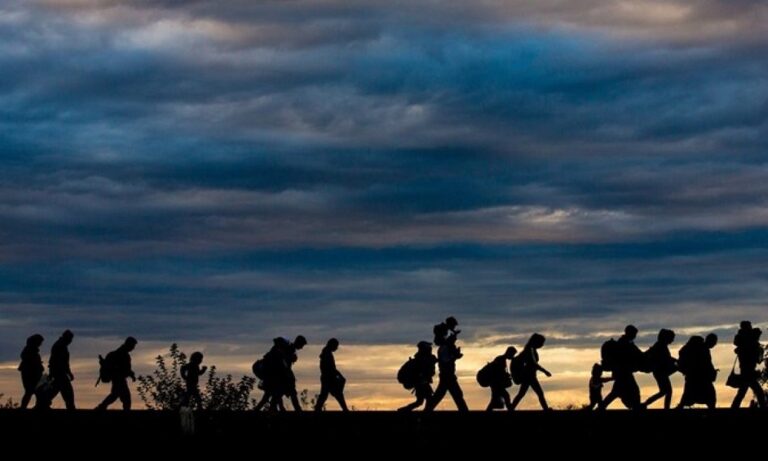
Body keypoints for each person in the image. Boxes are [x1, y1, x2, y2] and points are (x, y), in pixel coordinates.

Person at [600, 325, 643, 410]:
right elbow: (634, 354)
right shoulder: (624, 343)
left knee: (617, 392)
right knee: (632, 390)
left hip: (621, 372)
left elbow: (638, 353)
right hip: (623, 372)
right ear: (629, 333)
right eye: (634, 334)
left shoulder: (627, 342)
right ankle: (636, 406)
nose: (635, 336)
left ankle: (635, 406)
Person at [425, 329, 469, 412]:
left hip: (446, 375)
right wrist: (455, 357)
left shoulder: (443, 347)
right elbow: (446, 361)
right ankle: (465, 412)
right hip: (448, 376)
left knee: (442, 395)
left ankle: (427, 411)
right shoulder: (444, 348)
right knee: (456, 395)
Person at [510, 333, 551, 410]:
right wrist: (545, 371)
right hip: (529, 376)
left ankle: (511, 408)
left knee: (522, 394)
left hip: (529, 375)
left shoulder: (530, 349)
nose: (542, 345)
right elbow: (533, 364)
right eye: (541, 342)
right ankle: (546, 409)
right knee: (539, 393)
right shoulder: (530, 350)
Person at [96, 337, 138, 411]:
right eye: (133, 346)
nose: (133, 348)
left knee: (116, 395)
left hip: (117, 378)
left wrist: (131, 374)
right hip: (119, 378)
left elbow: (126, 369)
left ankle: (101, 407)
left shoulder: (121, 353)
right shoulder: (123, 354)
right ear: (129, 344)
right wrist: (131, 374)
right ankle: (101, 407)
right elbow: (124, 368)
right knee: (124, 398)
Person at [677, 334, 718, 409]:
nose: (714, 344)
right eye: (714, 342)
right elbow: (706, 363)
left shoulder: (698, 347)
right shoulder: (704, 349)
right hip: (701, 377)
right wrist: (712, 372)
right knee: (711, 396)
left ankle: (680, 407)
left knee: (688, 394)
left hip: (692, 376)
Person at [731, 324, 766, 408]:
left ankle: (734, 408)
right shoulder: (750, 345)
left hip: (745, 371)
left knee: (742, 393)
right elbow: (758, 360)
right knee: (758, 392)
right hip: (749, 371)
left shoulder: (743, 344)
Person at [642, 329, 677, 409]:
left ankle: (645, 404)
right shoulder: (660, 346)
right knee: (667, 391)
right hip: (660, 371)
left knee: (664, 391)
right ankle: (665, 408)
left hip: (660, 371)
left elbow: (667, 358)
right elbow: (666, 358)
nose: (672, 340)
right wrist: (675, 361)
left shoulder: (660, 345)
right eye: (671, 338)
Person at [398, 341, 437, 411]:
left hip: (420, 383)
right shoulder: (423, 359)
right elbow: (427, 371)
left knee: (420, 401)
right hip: (421, 383)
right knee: (428, 399)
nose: (430, 349)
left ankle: (404, 410)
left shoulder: (421, 358)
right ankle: (426, 413)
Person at [314, 338, 348, 411]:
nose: (336, 348)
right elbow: (331, 368)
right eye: (336, 346)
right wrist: (340, 376)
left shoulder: (326, 352)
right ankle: (345, 409)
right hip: (328, 378)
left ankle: (317, 409)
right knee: (336, 394)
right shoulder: (327, 354)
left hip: (328, 377)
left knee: (328, 395)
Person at [48, 330, 76, 410]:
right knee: (68, 393)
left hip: (57, 372)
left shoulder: (60, 344)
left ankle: (42, 404)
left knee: (54, 390)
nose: (71, 341)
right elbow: (63, 362)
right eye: (70, 339)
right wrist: (69, 373)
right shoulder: (61, 346)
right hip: (59, 373)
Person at [485, 346, 516, 411]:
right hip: (496, 383)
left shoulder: (501, 359)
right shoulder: (501, 359)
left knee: (495, 399)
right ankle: (510, 410)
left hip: (495, 383)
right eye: (513, 354)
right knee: (505, 396)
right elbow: (498, 373)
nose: (513, 356)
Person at [18, 334, 44, 409]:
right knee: (31, 391)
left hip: (32, 374)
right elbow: (32, 363)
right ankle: (26, 407)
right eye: (40, 342)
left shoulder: (31, 351)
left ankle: (39, 406)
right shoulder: (30, 351)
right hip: (31, 375)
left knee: (35, 391)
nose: (41, 344)